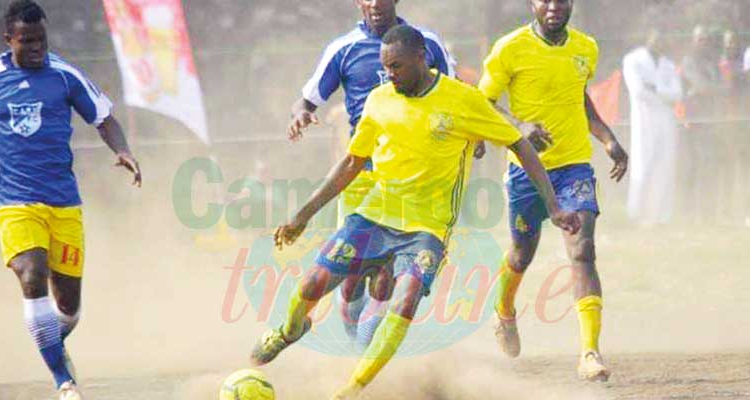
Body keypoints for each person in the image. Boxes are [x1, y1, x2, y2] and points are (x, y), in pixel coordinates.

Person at [252, 25, 580, 399]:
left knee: (405, 298)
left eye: (397, 66)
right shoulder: (380, 100)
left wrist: (553, 205)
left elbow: (519, 144)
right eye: (385, 67)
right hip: (374, 215)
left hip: (428, 228)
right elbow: (353, 162)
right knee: (313, 284)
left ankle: (352, 388)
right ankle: (290, 330)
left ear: (421, 58)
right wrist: (304, 214)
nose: (389, 75)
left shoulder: (462, 99)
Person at [285, 0, 457, 346]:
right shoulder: (344, 49)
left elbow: (456, 96)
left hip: (410, 179)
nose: (376, 2)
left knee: (386, 273)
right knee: (352, 273)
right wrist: (300, 114)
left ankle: (365, 348)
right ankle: (353, 326)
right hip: (360, 176)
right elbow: (306, 99)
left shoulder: (426, 42)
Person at [478, 0, 628, 381]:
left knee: (583, 250)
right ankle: (504, 312)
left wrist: (607, 139)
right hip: (526, 171)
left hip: (574, 167)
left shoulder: (585, 48)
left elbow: (579, 97)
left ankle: (589, 353)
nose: (554, 6)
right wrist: (519, 126)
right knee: (521, 253)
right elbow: (482, 102)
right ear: (532, 3)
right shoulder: (509, 48)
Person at [0, 1, 142, 399]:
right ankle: (64, 382)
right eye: (27, 41)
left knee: (68, 308)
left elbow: (104, 118)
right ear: (9, 39)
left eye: (41, 40)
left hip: (63, 203)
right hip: (14, 203)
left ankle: (50, 342)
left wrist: (123, 150)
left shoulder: (64, 75)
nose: (36, 48)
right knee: (32, 275)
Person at [623, 30, 683, 225]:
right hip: (644, 121)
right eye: (656, 38)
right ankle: (635, 214)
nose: (659, 42)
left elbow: (677, 94)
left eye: (663, 39)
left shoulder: (668, 65)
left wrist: (656, 89)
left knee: (665, 166)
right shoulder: (633, 60)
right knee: (642, 166)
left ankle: (662, 216)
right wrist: (665, 97)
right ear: (648, 39)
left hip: (666, 121)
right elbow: (638, 91)